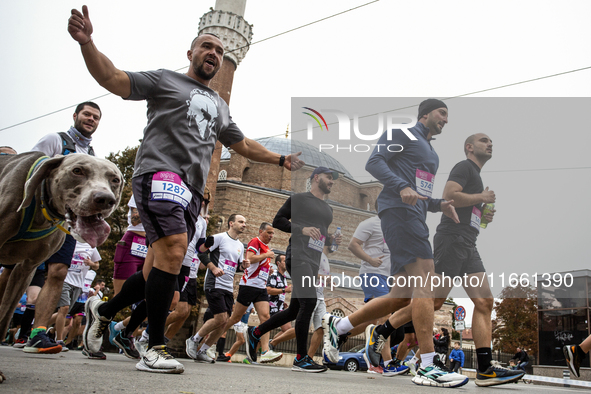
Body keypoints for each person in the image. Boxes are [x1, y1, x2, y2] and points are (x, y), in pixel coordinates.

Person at [68, 6, 303, 374]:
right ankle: (155, 347)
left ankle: (106, 311)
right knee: (176, 251)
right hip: (159, 175)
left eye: (220, 51)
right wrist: (87, 43)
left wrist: (279, 160)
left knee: (159, 268)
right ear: (190, 54)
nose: (214, 53)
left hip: (192, 191)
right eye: (207, 47)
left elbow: (242, 145)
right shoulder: (165, 80)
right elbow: (112, 78)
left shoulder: (220, 107)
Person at [322, 99, 469, 388]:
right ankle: (428, 365)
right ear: (424, 114)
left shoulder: (432, 153)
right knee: (426, 278)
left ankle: (338, 327)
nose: (446, 120)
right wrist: (400, 186)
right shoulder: (402, 134)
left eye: (448, 116)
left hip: (415, 215)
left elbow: (420, 192)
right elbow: (373, 161)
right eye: (442, 113)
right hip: (398, 213)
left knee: (401, 296)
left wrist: (440, 204)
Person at [22, 101, 101, 354]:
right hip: (37, 219)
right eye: (87, 114)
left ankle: (38, 333)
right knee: (16, 271)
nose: (91, 119)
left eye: (96, 117)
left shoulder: (91, 155)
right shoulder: (55, 140)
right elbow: (28, 170)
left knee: (58, 273)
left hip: (64, 222)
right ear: (76, 115)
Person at [245, 166, 341, 373]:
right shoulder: (299, 199)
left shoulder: (328, 209)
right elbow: (278, 220)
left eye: (333, 179)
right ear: (316, 178)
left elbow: (321, 237)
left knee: (295, 309)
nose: (332, 181)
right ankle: (301, 358)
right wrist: (301, 229)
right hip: (298, 255)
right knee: (310, 302)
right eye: (329, 177)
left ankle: (255, 333)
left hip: (313, 259)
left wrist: (332, 241)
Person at [217, 222, 283, 363]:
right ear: (261, 231)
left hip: (261, 287)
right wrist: (266, 255)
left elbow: (259, 264)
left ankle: (265, 351)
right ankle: (211, 337)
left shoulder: (266, 248)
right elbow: (250, 258)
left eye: (273, 233)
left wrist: (268, 270)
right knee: (235, 318)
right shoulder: (256, 241)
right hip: (249, 286)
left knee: (266, 317)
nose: (271, 236)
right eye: (269, 233)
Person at [185, 214, 247, 363]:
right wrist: (213, 268)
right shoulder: (219, 238)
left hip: (227, 286)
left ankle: (203, 350)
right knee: (220, 318)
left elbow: (236, 267)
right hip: (214, 283)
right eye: (241, 222)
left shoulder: (240, 245)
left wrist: (243, 266)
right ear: (231, 223)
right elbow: (201, 252)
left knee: (225, 323)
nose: (244, 225)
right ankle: (193, 340)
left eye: (245, 223)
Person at [347, 202, 396, 374]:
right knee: (385, 317)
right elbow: (353, 244)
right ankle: (386, 362)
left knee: (370, 320)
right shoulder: (370, 223)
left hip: (388, 277)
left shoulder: (394, 226)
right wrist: (370, 260)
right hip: (372, 274)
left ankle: (339, 334)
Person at [52, 242, 100, 351]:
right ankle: (59, 341)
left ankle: (42, 327)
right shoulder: (70, 242)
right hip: (65, 279)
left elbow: (97, 265)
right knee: (64, 309)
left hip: (79, 284)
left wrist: (90, 263)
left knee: (65, 312)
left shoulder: (91, 246)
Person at [267, 255, 293, 349]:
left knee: (288, 329)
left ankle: (271, 344)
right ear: (278, 263)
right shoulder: (274, 274)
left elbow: (279, 291)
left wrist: (282, 301)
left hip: (279, 308)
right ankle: (253, 354)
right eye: (285, 261)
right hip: (271, 308)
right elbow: (268, 290)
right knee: (265, 331)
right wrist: (285, 290)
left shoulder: (284, 277)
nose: (287, 263)